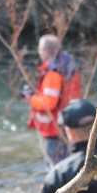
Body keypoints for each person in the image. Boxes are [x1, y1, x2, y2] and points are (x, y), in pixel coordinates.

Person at [20, 34, 81, 168]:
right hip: (69, 123)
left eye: (40, 50)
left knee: (56, 169)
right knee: (70, 167)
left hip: (54, 129)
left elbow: (49, 103)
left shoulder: (53, 72)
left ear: (46, 51)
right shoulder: (69, 65)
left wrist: (30, 99)